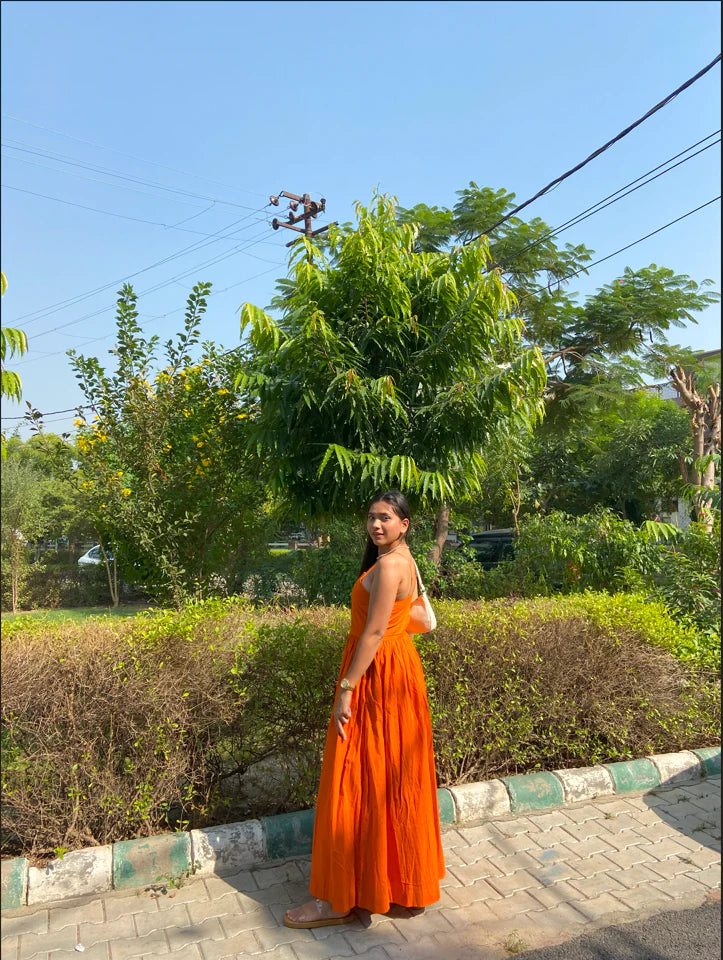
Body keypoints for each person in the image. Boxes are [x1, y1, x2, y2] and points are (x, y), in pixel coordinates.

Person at [284, 490, 445, 928]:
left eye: (386, 518)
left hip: (376, 675)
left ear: (404, 524)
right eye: (372, 518)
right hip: (397, 670)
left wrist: (346, 688)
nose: (376, 525)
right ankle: (395, 885)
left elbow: (373, 634)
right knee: (389, 776)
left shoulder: (392, 565)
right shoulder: (404, 560)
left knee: (351, 775)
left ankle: (337, 900)